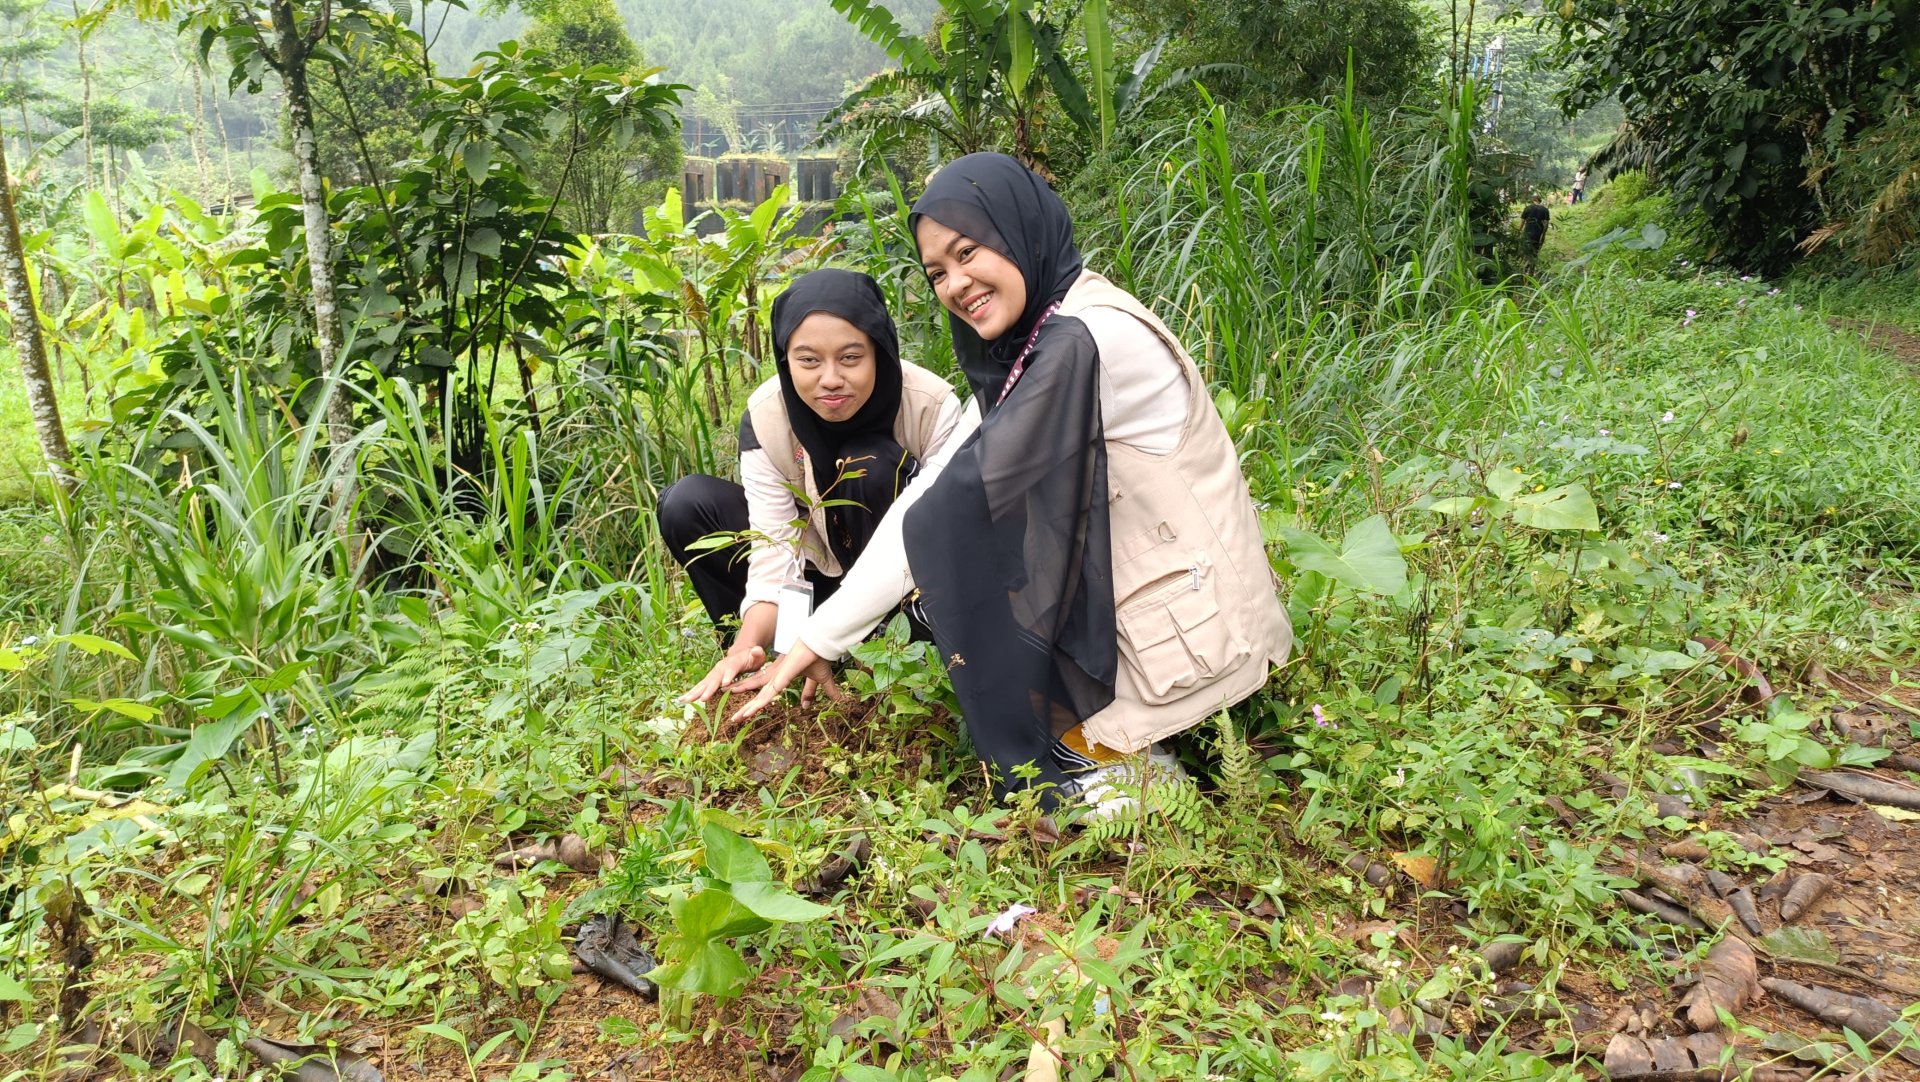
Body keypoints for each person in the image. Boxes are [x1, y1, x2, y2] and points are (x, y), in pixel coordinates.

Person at [727, 153, 1292, 811]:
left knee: (966, 537)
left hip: (1195, 635)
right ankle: (1103, 744)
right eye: (937, 271)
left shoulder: (1089, 338)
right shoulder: (1048, 333)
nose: (956, 283)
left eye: (969, 253)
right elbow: (932, 488)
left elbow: (947, 505)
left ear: (1017, 228)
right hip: (1165, 611)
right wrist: (817, 638)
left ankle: (1132, 770)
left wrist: (827, 634)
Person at [661, 268, 963, 706]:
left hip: (905, 586)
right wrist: (745, 645)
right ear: (786, 360)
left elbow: (948, 541)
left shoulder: (932, 407)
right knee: (687, 504)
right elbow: (774, 552)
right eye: (808, 360)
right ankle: (772, 658)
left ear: (880, 352)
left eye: (851, 357)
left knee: (870, 464)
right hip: (815, 578)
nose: (830, 379)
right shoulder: (768, 417)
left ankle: (875, 658)